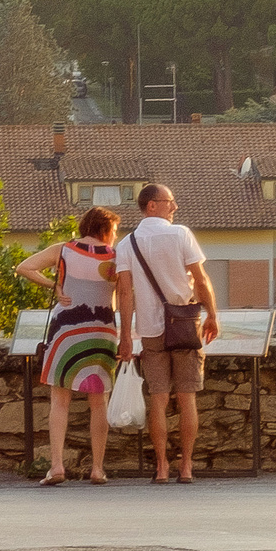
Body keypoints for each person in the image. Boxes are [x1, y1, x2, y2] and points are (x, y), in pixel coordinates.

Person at [115, 182, 219, 483]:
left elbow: (124, 293)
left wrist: (125, 335)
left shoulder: (127, 244)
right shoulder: (180, 234)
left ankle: (161, 466)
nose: (174, 207)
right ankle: (186, 465)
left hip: (149, 329)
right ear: (152, 205)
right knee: (187, 398)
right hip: (185, 323)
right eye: (169, 201)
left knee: (158, 399)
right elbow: (200, 280)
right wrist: (211, 315)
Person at [13, 207, 122, 485]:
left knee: (60, 400)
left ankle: (57, 466)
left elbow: (24, 267)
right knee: (99, 402)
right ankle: (97, 468)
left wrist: (55, 286)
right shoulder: (116, 257)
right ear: (105, 229)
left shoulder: (63, 250)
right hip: (102, 330)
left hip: (66, 329)